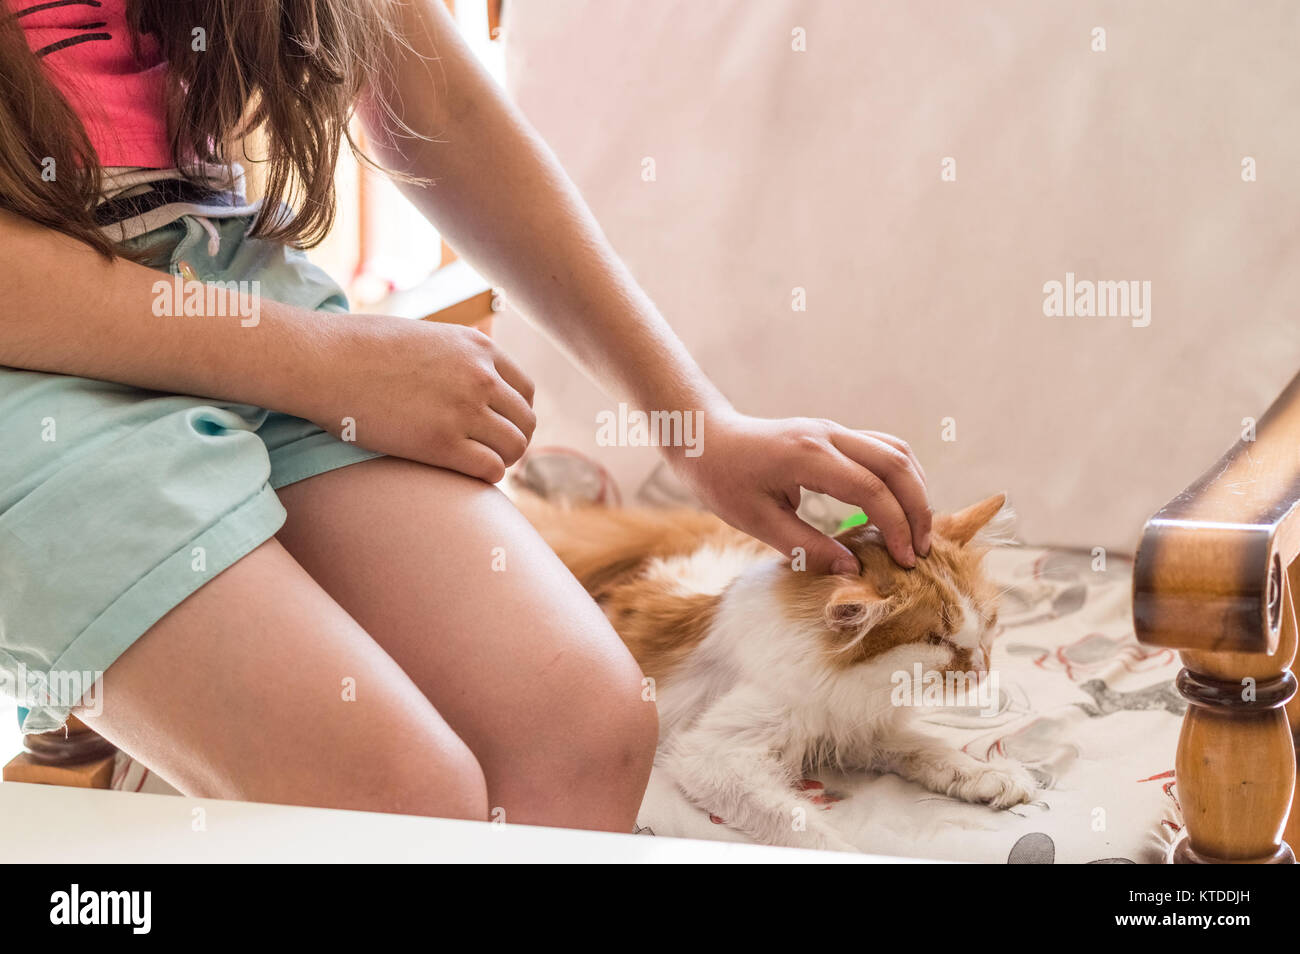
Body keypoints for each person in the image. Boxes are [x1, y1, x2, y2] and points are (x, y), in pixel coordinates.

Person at [0, 0, 931, 833]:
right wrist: (325, 365)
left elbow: (437, 106)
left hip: (219, 267)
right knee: (400, 806)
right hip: (31, 342)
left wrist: (698, 425)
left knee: (586, 734)